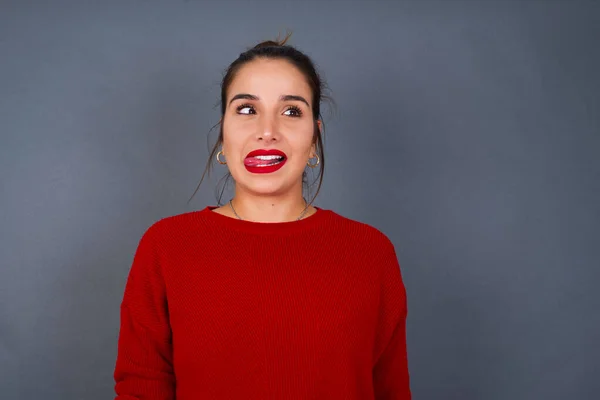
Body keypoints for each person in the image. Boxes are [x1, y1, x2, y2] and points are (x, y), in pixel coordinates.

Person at [113, 33, 411, 399]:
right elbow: (141, 389)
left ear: (315, 138)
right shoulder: (167, 247)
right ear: (223, 133)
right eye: (246, 109)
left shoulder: (370, 252)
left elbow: (391, 391)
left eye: (291, 111)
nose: (267, 132)